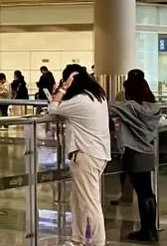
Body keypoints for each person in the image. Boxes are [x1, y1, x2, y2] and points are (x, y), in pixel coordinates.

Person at [47, 64, 109, 246]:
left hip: (86, 155)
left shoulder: (81, 100)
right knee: (78, 200)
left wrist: (64, 88)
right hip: (96, 154)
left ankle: (98, 242)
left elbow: (53, 108)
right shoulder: (98, 97)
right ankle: (77, 239)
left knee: (90, 203)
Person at [110, 69, 160, 242]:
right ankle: (151, 229)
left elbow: (109, 108)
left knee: (142, 192)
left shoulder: (130, 107)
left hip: (135, 153)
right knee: (148, 193)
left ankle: (147, 231)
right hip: (148, 152)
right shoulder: (153, 107)